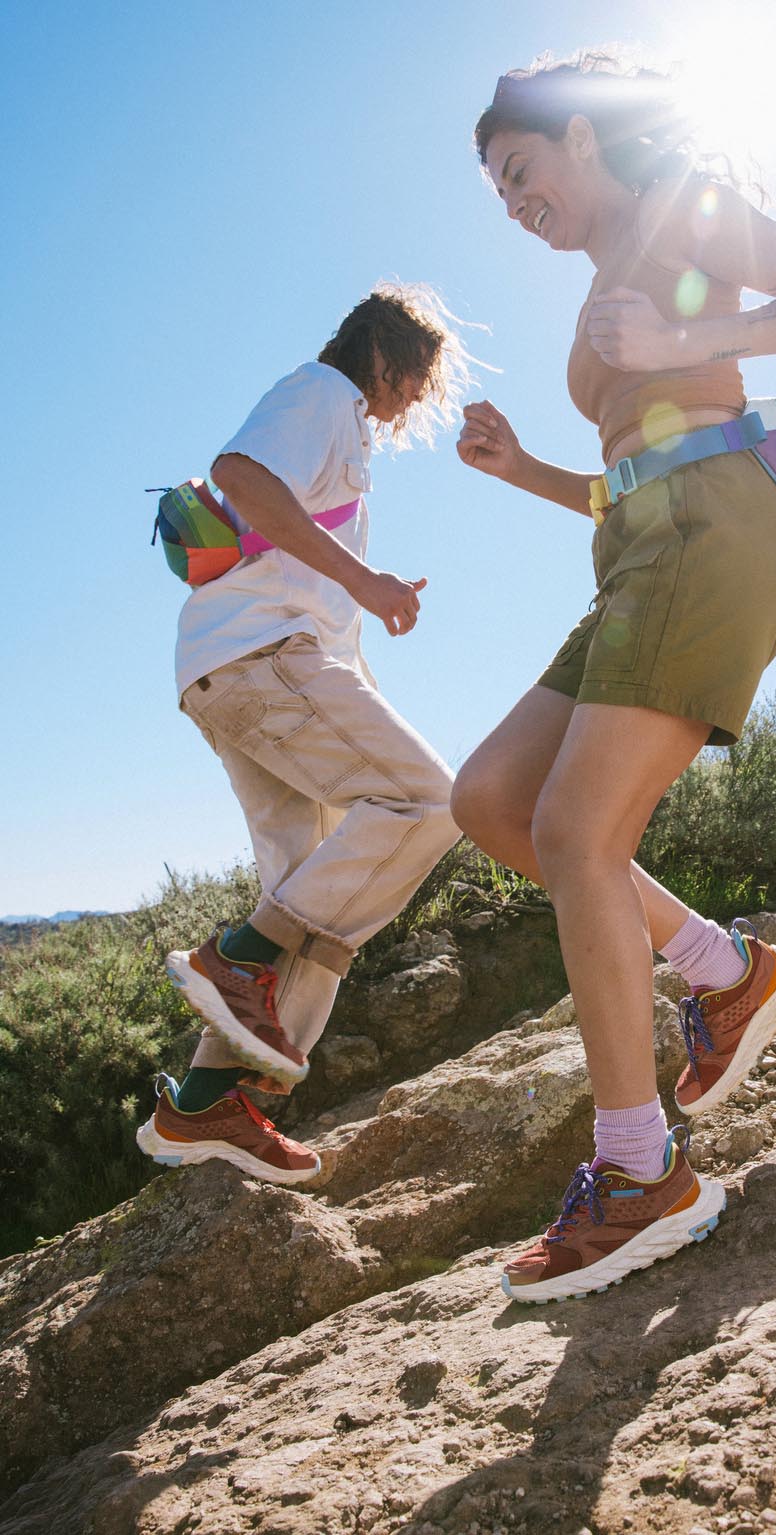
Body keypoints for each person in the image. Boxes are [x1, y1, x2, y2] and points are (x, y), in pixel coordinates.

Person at [453, 53, 776, 1302]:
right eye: (497, 192)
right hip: (639, 542)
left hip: (713, 530)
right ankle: (723, 968)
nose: (515, 201)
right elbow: (626, 470)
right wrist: (521, 468)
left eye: (520, 171)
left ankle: (640, 1171)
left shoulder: (680, 209)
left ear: (584, 138)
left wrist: (689, 331)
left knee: (578, 833)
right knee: (491, 801)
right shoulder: (603, 275)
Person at [137, 284, 469, 1185]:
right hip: (261, 658)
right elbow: (240, 475)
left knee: (316, 886)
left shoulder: (341, 436)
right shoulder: (323, 392)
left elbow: (312, 591)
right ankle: (234, 957)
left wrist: (356, 643)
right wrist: (368, 582)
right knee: (431, 800)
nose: (413, 404)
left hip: (239, 670)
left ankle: (208, 1102)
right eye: (416, 383)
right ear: (390, 360)